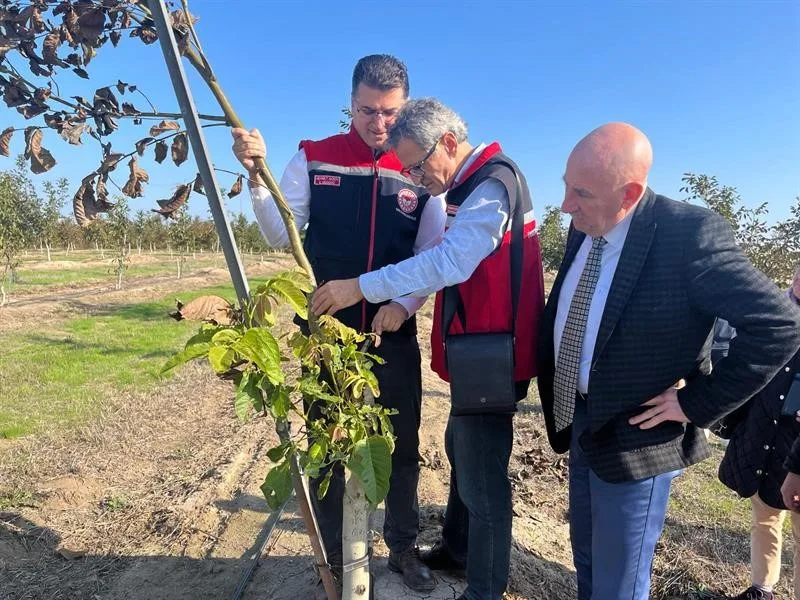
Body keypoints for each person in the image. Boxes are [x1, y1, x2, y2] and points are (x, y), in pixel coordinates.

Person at [535, 122, 800, 600]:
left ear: (630, 193)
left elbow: (780, 325)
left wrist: (695, 403)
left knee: (619, 585)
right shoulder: (588, 223)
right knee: (588, 563)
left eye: (581, 193)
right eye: (565, 185)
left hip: (638, 440)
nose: (566, 206)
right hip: (579, 422)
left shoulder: (689, 235)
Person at [312, 97, 545, 600]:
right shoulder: (471, 184)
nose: (415, 178)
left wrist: (363, 286)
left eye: (417, 165)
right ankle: (459, 551)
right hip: (478, 350)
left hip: (494, 355)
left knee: (482, 477)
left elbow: (450, 261)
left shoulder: (491, 188)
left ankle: (483, 588)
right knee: (461, 452)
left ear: (448, 143)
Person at [231, 55, 446, 597]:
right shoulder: (315, 156)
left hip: (391, 329)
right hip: (326, 329)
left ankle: (401, 547)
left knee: (398, 441)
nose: (379, 124)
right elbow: (282, 234)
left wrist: (406, 304)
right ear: (350, 103)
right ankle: (334, 553)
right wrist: (257, 176)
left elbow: (433, 254)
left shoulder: (418, 170)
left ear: (406, 108)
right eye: (368, 111)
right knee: (327, 440)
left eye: (391, 113)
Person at [720, 265, 800, 600]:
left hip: (797, 444)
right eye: (797, 275)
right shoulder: (772, 316)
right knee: (765, 515)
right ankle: (761, 588)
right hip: (764, 431)